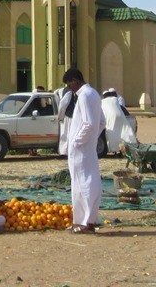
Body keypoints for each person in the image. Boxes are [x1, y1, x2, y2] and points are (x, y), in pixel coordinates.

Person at [64, 67, 103, 234]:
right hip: (88, 148)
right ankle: (88, 220)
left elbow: (90, 124)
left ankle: (83, 223)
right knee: (88, 181)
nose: (69, 87)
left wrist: (76, 142)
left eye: (69, 83)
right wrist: (92, 140)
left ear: (76, 80)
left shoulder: (85, 96)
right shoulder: (93, 94)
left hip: (81, 150)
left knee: (82, 185)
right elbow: (101, 122)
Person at [55, 83, 72, 156]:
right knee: (66, 134)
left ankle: (64, 151)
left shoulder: (61, 90)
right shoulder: (69, 92)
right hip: (67, 116)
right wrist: (60, 116)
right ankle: (65, 151)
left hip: (65, 115)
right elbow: (63, 104)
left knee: (65, 133)